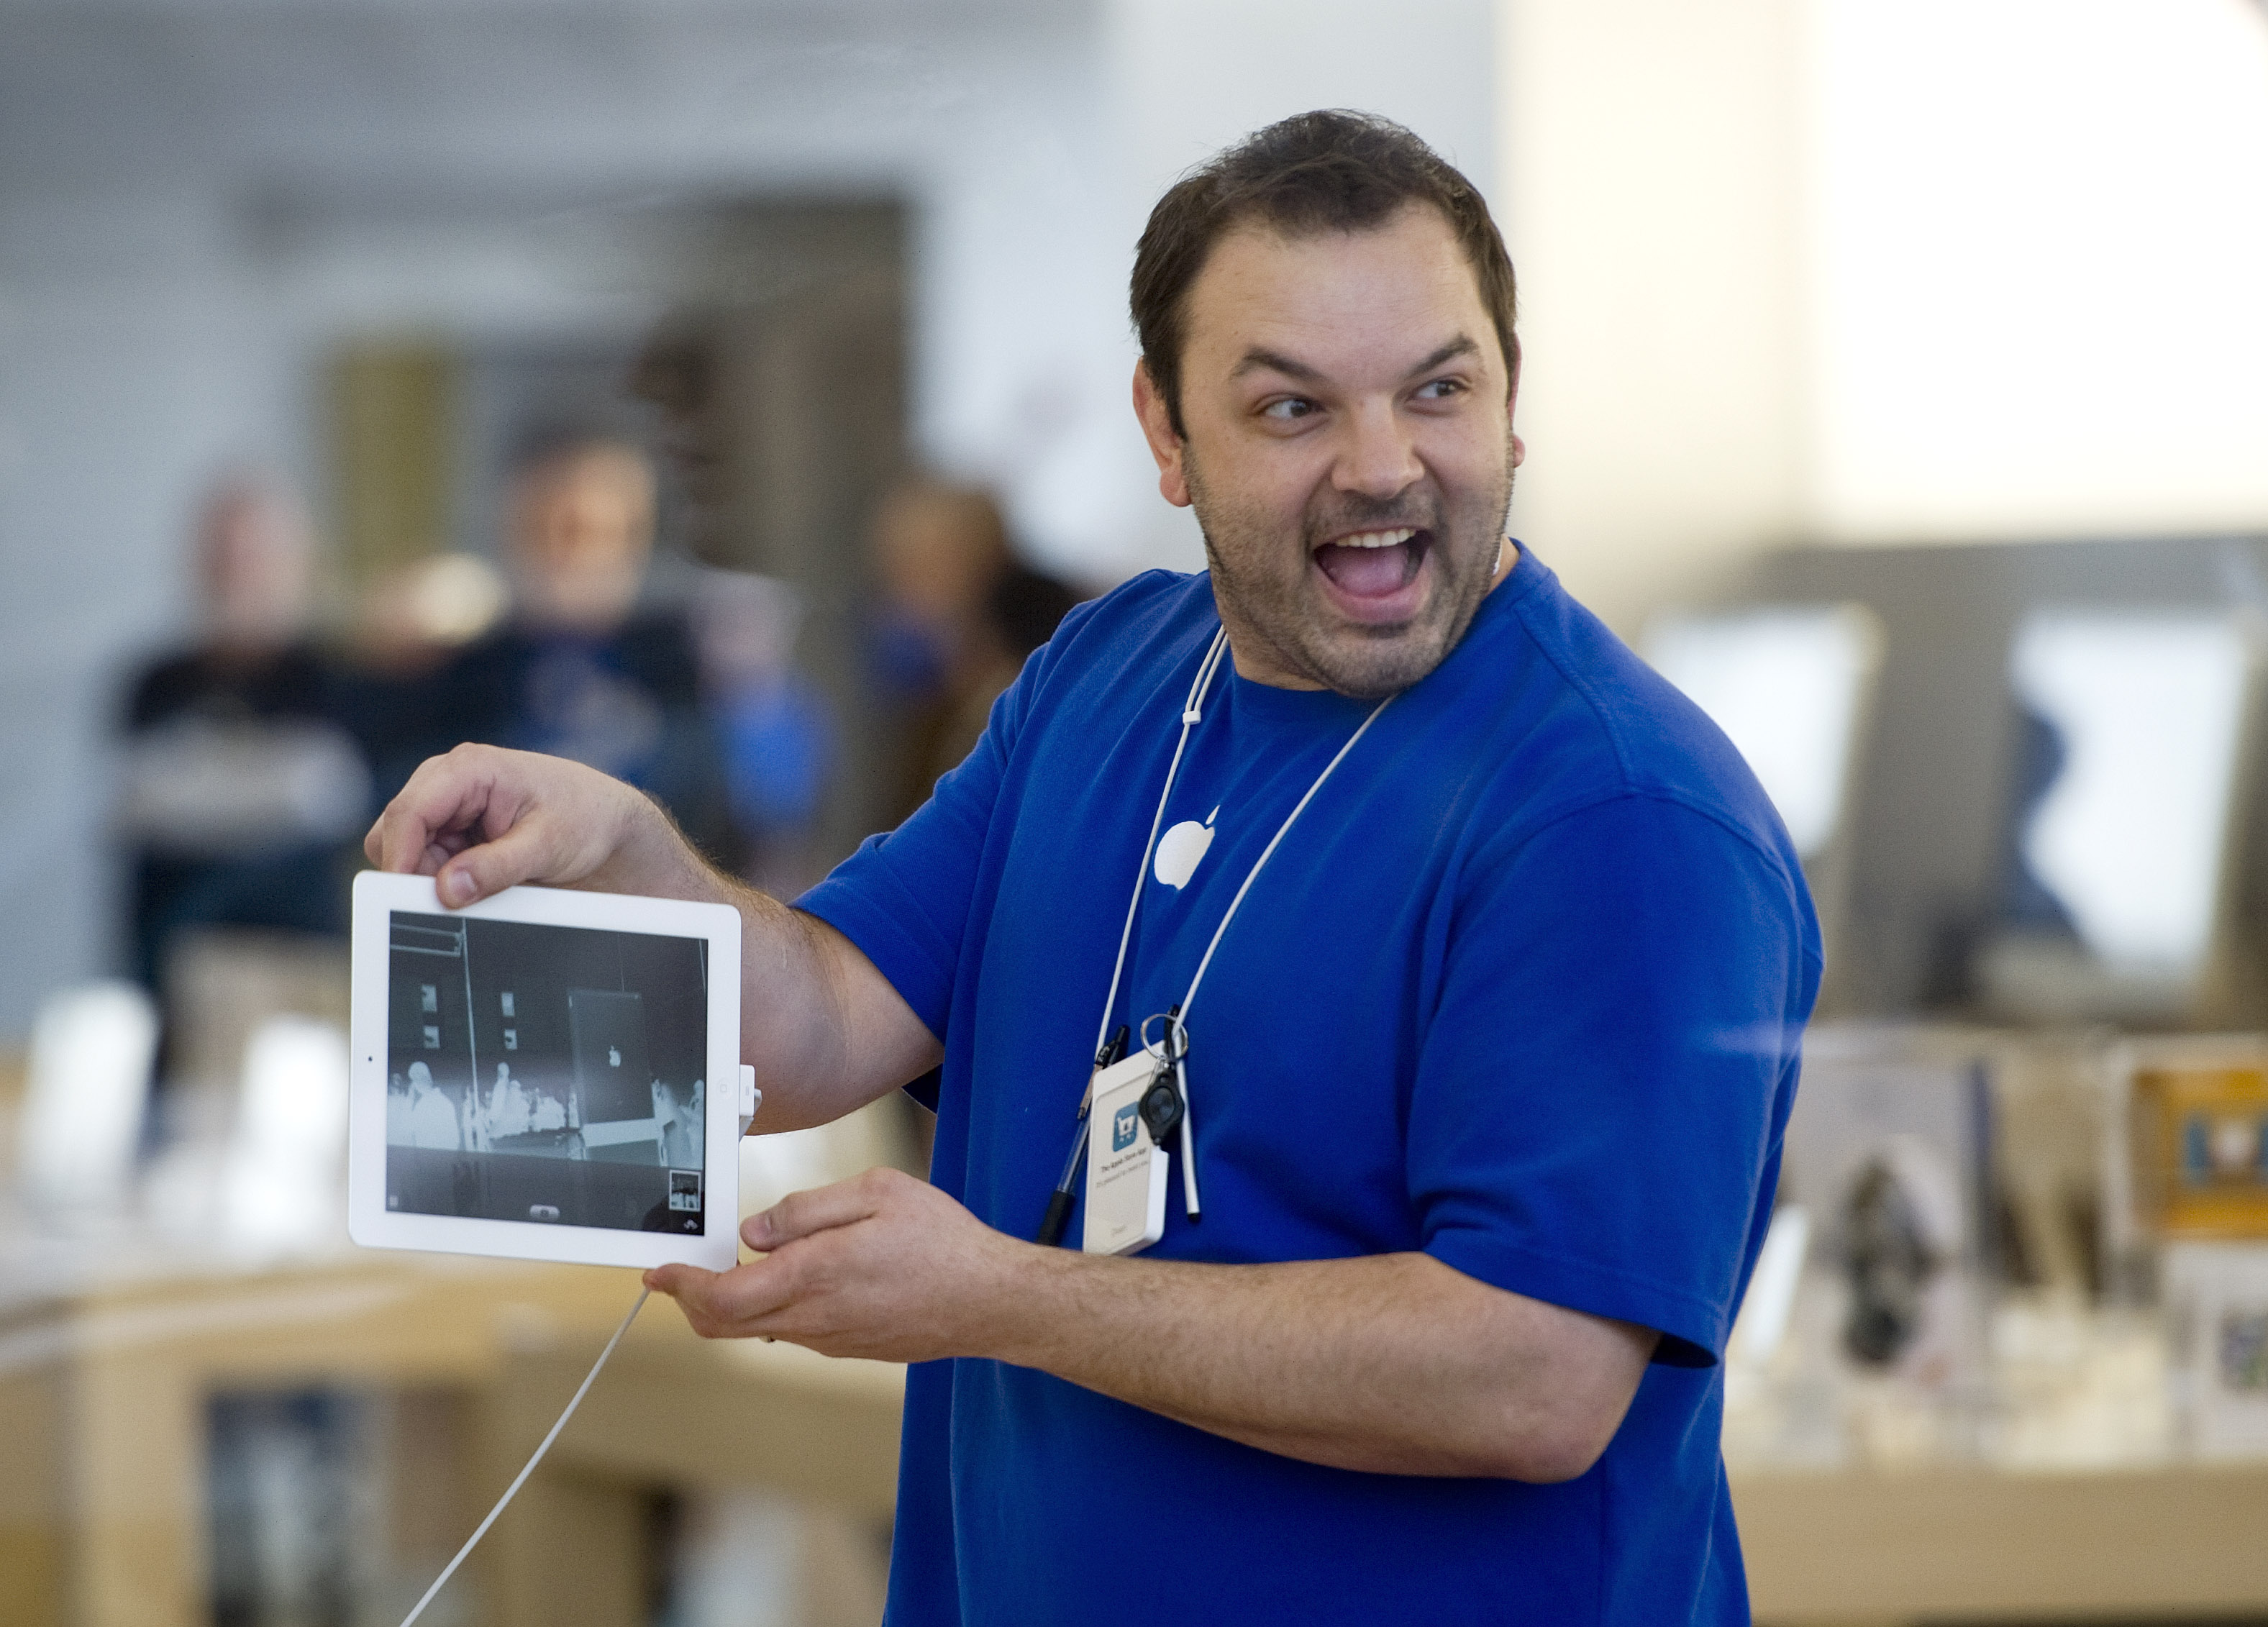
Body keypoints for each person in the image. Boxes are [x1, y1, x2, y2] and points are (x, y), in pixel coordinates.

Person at [369, 112, 1819, 1626]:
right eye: (1290, 409)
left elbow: (1532, 1379)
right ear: (1163, 432)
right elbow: (815, 1030)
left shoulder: (1618, 816)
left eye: (1436, 390)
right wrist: (639, 864)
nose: (1381, 467)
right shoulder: (1112, 673)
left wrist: (999, 1296)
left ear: (1511, 402)